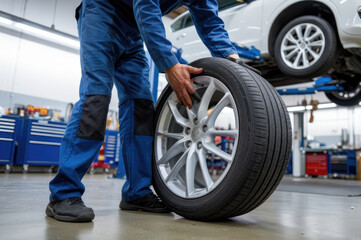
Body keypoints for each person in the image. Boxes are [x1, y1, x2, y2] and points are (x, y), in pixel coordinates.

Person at [46, 0, 239, 222]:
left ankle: (136, 193)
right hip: (101, 12)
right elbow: (146, 7)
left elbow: (209, 19)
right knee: (96, 98)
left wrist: (231, 58)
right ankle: (63, 194)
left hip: (133, 32)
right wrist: (169, 64)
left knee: (141, 109)